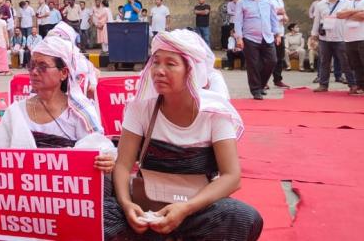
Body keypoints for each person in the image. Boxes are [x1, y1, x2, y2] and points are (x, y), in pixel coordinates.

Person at [104, 29, 262, 240]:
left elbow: (232, 177)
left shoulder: (215, 114)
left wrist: (185, 209)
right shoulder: (140, 108)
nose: (159, 71)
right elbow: (123, 165)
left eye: (170, 64)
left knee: (242, 217)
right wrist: (127, 205)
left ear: (191, 71)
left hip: (194, 209)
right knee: (98, 212)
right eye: (156, 62)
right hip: (146, 206)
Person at [235, 0, 282, 100]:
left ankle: (261, 84)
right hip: (250, 38)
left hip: (267, 36)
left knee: (272, 61)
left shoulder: (268, 1)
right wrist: (239, 38)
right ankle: (256, 90)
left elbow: (273, 18)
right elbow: (238, 21)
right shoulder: (242, 2)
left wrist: (277, 34)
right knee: (253, 65)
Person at [311, 0, 355, 93]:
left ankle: (353, 85)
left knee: (345, 62)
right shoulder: (320, 4)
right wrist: (313, 35)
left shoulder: (347, 3)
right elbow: (316, 20)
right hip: (325, 38)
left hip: (341, 37)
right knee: (324, 62)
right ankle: (323, 85)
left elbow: (351, 19)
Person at [264, 0, 291, 88]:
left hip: (280, 31)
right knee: (268, 58)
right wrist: (277, 12)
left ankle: (277, 79)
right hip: (270, 33)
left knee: (279, 57)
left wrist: (285, 16)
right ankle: (263, 80)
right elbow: (264, 13)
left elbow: (283, 11)